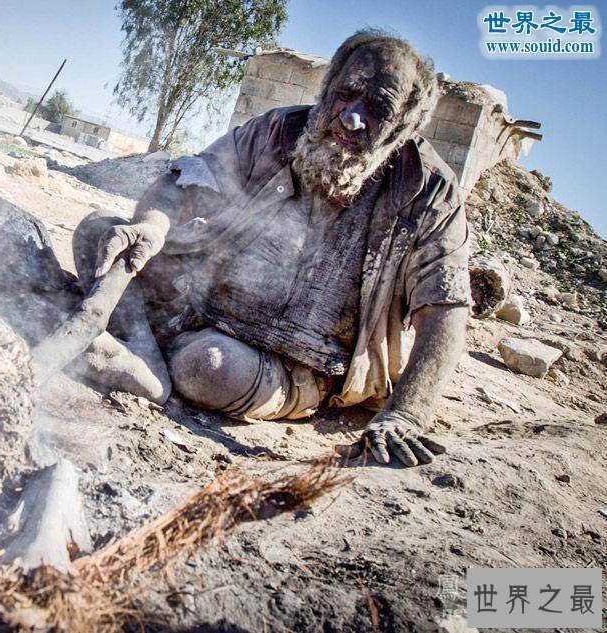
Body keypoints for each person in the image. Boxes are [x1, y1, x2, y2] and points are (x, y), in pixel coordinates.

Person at [72, 30, 471, 468]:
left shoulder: (428, 192)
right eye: (346, 95)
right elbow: (185, 180)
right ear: (326, 89)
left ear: (403, 129)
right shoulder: (277, 130)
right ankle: (144, 348)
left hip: (291, 366)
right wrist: (150, 226)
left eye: (377, 110)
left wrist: (407, 415)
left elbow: (445, 310)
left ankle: (146, 354)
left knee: (206, 367)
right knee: (100, 232)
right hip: (195, 304)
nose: (352, 120)